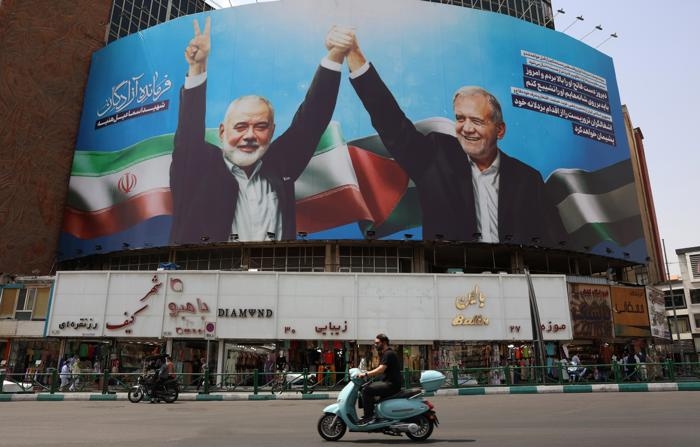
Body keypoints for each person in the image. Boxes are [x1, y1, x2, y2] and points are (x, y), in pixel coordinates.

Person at [342, 30, 568, 246]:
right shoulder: (435, 156)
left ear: (500, 130)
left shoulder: (528, 180)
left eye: (477, 121)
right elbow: (391, 123)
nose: (466, 128)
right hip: (451, 276)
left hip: (514, 277)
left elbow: (556, 241)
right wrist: (354, 55)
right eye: (460, 119)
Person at [169, 19, 354, 243]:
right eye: (240, 126)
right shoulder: (198, 166)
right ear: (221, 131)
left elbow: (312, 120)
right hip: (209, 273)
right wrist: (197, 68)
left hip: (274, 274)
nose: (249, 135)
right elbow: (189, 131)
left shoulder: (280, 165)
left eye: (260, 127)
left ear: (272, 131)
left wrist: (335, 55)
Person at [358, 333, 402, 425]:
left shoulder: (388, 354)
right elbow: (382, 371)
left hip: (391, 385)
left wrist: (366, 374)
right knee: (366, 387)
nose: (375, 345)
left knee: (367, 391)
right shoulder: (385, 354)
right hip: (388, 383)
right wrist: (368, 374)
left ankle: (369, 417)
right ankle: (375, 414)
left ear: (384, 342)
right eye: (375, 343)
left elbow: (381, 369)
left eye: (377, 343)